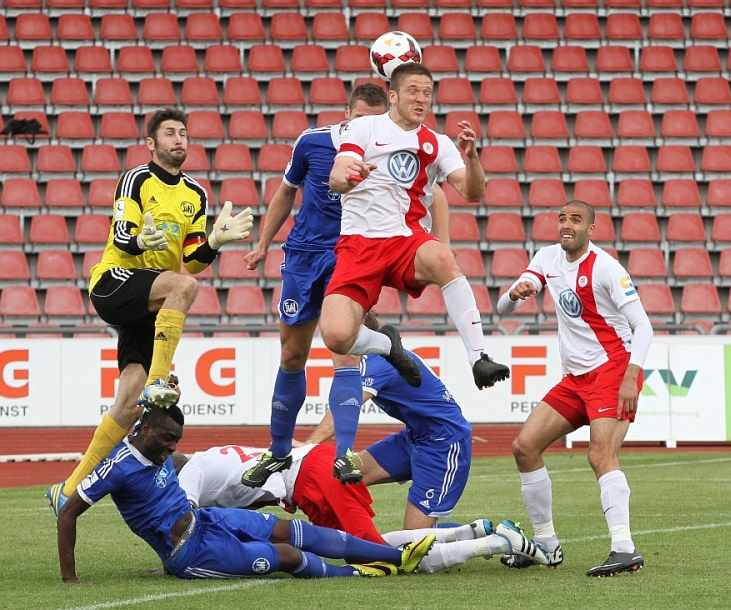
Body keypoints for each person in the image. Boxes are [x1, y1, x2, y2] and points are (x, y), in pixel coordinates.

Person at [46, 108, 253, 516]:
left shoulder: (196, 194)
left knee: (129, 406)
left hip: (151, 300)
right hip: (114, 281)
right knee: (183, 287)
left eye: (183, 133)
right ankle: (158, 382)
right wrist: (142, 241)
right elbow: (124, 237)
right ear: (151, 143)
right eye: (170, 133)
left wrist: (213, 242)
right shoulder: (137, 179)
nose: (179, 139)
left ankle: (67, 491)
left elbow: (192, 260)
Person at [240, 84, 448, 488]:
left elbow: (435, 193)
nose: (367, 127)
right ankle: (278, 451)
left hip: (352, 254)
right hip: (303, 255)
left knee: (345, 352)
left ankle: (344, 453)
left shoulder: (391, 146)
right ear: (347, 113)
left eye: (375, 120)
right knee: (292, 354)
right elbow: (286, 191)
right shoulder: (312, 142)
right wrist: (263, 244)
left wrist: (440, 242)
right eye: (361, 118)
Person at [56, 405, 435, 582]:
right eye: (168, 439)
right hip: (190, 553)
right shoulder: (117, 468)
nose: (172, 448)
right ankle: (355, 573)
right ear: (146, 430)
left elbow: (153, 408)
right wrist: (70, 578)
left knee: (294, 531)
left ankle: (399, 556)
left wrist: (167, 393)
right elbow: (68, 512)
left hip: (207, 521)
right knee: (288, 556)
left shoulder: (159, 447)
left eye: (176, 441)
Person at [325, 62, 509, 392]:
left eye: (427, 93)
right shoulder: (365, 127)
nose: (421, 99)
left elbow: (472, 192)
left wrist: (473, 159)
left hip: (405, 240)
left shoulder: (437, 143)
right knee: (336, 336)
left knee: (442, 256)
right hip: (359, 243)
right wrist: (352, 176)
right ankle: (387, 345)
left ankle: (479, 358)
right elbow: (337, 178)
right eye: (413, 91)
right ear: (393, 96)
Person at [495, 200, 653, 578]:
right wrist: (515, 294)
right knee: (524, 447)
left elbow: (643, 327)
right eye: (562, 219)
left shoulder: (606, 267)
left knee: (600, 456)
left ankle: (624, 548)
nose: (567, 225)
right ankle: (546, 545)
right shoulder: (546, 257)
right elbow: (502, 309)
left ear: (591, 229)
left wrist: (630, 378)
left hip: (613, 370)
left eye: (576, 220)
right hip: (575, 378)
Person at [175, 443, 549, 573]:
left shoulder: (189, 474)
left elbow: (184, 525)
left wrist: (172, 559)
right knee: (360, 549)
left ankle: (497, 543)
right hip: (313, 472)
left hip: (313, 479)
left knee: (381, 558)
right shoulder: (207, 457)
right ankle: (475, 530)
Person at [302, 311, 474, 532]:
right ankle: (344, 538)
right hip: (415, 437)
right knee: (340, 478)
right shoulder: (377, 357)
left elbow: (346, 407)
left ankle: (487, 535)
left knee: (413, 541)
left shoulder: (377, 361)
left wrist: (308, 445)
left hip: (444, 444)